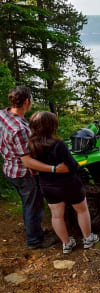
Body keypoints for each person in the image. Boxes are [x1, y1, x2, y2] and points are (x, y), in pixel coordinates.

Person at [0, 86, 68, 249]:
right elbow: (28, 162)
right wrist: (54, 169)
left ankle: (35, 231)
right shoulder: (21, 130)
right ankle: (35, 240)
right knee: (33, 205)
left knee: (28, 203)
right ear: (26, 102)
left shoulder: (3, 114)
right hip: (24, 173)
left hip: (10, 167)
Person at [28, 111, 100, 254]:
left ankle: (66, 244)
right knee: (82, 209)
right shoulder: (58, 144)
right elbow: (71, 165)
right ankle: (88, 238)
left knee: (56, 215)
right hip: (68, 183)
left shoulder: (31, 145)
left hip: (47, 184)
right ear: (52, 126)